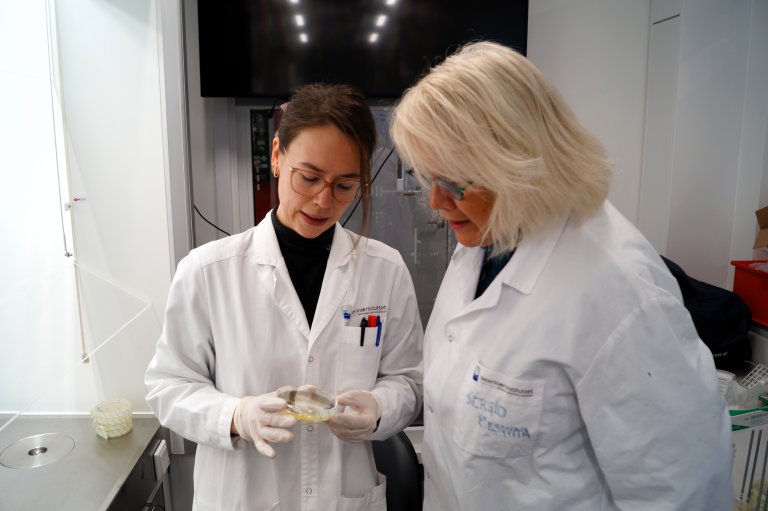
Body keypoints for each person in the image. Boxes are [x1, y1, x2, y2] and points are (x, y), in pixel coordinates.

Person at [389, 41, 732, 510]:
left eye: (453, 183)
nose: (436, 203)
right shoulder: (489, 240)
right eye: (430, 180)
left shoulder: (617, 287)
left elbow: (678, 490)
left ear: (514, 160)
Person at [145, 83, 423, 511]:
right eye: (309, 177)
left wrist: (380, 407)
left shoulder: (384, 270)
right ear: (277, 155)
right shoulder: (206, 272)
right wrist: (236, 416)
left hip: (342, 495)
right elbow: (168, 387)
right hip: (243, 495)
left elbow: (408, 379)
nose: (323, 200)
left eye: (345, 186)